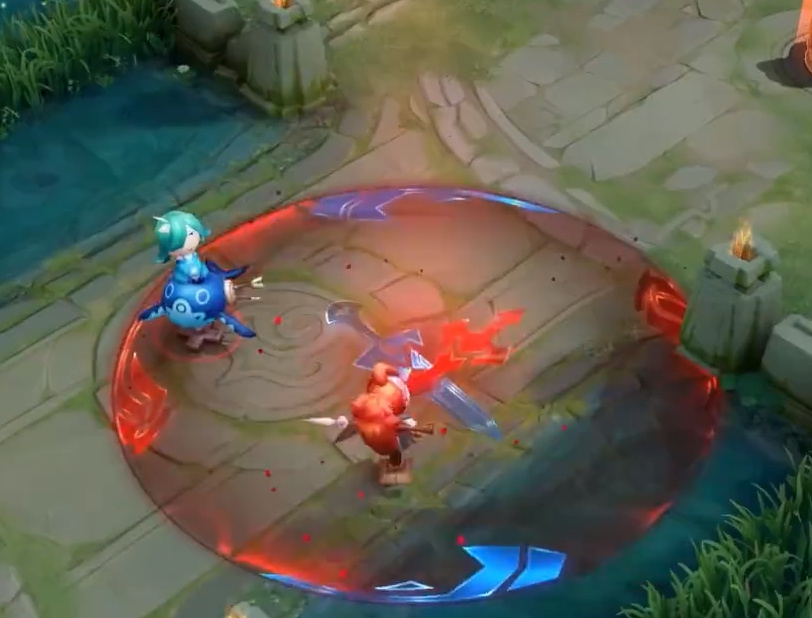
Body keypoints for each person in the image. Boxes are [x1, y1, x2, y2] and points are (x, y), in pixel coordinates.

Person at [152, 210, 211, 284]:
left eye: (191, 234)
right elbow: (186, 270)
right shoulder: (181, 263)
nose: (189, 242)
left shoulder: (193, 256)